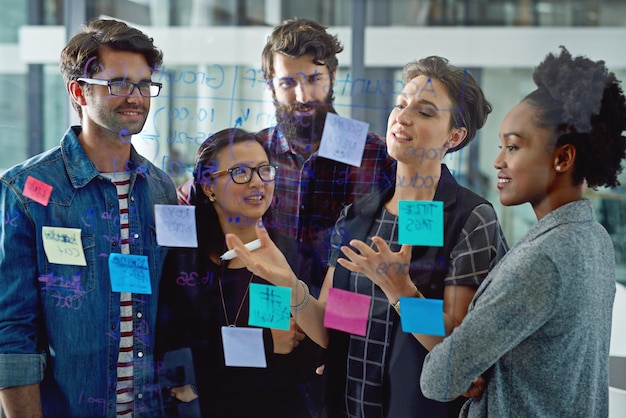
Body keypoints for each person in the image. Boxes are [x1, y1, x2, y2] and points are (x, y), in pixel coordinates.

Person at [225, 56, 508, 418]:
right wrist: (288, 285)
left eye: (424, 112)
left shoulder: (470, 219)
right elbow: (334, 329)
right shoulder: (358, 217)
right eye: (401, 105)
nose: (402, 118)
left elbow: (459, 351)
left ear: (455, 136)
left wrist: (401, 293)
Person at [420, 47, 626, 417]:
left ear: (562, 158)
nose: (498, 160)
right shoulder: (593, 238)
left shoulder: (534, 253)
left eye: (513, 147)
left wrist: (399, 292)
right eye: (501, 146)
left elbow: (440, 376)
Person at [0, 19, 177, 417]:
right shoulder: (26, 191)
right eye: (118, 84)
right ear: (79, 90)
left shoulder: (162, 190)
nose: (135, 97)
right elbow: (12, 330)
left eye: (144, 84)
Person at [177, 18, 395, 284]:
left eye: (314, 79)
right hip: (264, 309)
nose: (303, 96)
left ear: (333, 76)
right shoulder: (251, 152)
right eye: (288, 83)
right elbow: (186, 203)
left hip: (347, 312)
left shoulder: (376, 154)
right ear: (269, 83)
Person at [155, 128, 322, 418]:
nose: (257, 182)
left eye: (264, 171)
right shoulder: (183, 263)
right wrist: (267, 344)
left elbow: (307, 361)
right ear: (208, 186)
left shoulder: (295, 258)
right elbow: (174, 361)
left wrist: (206, 378)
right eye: (241, 172)